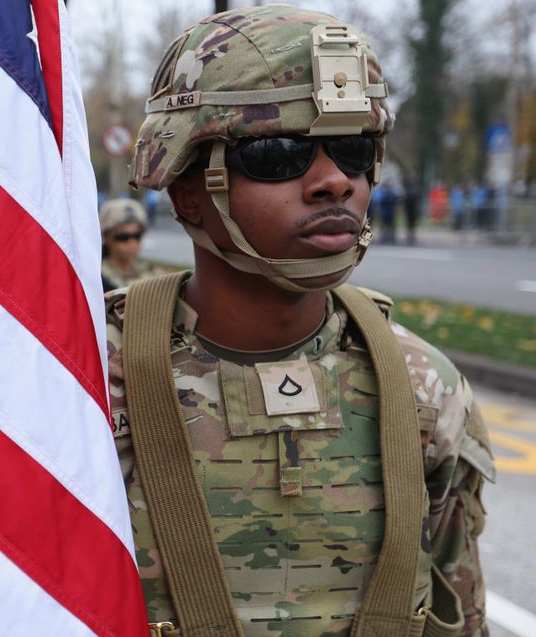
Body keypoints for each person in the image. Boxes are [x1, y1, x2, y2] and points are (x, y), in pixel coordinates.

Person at [116, 6, 494, 636]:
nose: (333, 181)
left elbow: (460, 614)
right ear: (187, 191)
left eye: (353, 150)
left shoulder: (422, 386)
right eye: (277, 153)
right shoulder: (89, 382)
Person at [99, 198, 160, 291]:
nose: (131, 243)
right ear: (108, 238)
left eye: (137, 236)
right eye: (123, 237)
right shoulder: (98, 278)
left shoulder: (151, 272)